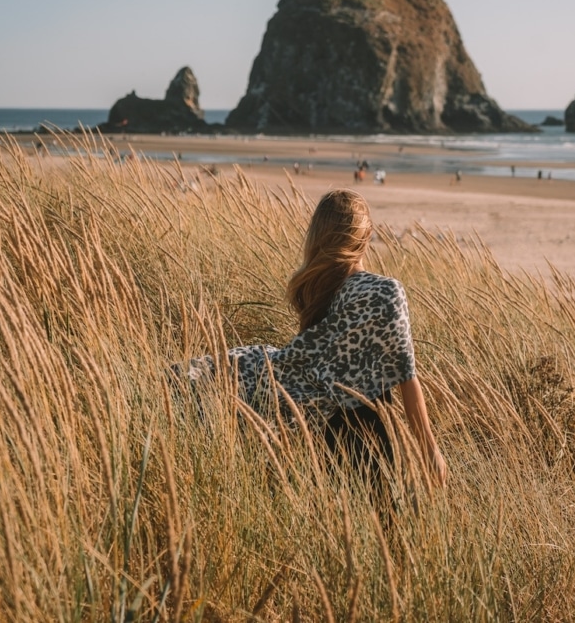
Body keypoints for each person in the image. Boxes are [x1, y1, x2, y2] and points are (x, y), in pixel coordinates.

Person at [177, 189, 446, 488]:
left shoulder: (315, 292)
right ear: (365, 236)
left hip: (321, 440)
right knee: (381, 529)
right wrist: (429, 449)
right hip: (369, 437)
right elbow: (407, 375)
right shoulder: (384, 292)